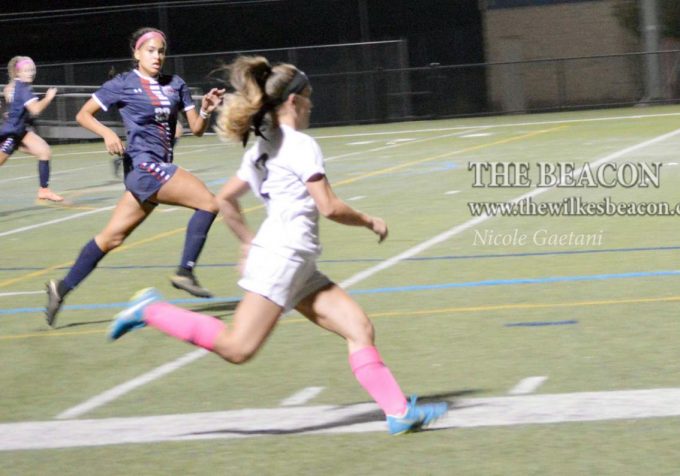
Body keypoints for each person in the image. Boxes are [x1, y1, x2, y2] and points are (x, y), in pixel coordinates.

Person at [108, 55, 448, 435]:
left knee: (359, 328)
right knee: (238, 348)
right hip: (283, 259)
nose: (312, 105)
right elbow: (329, 207)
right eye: (309, 97)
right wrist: (370, 221)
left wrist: (247, 243)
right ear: (293, 102)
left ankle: (398, 412)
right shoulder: (300, 144)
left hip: (296, 263)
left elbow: (225, 199)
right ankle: (152, 310)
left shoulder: (261, 147)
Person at [44, 27, 226, 327]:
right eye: (151, 50)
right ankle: (185, 271)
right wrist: (106, 133)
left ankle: (60, 289)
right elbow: (83, 115)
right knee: (208, 202)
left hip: (152, 171)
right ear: (137, 53)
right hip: (143, 168)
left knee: (111, 238)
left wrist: (206, 109)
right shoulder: (123, 84)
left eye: (162, 50)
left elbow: (197, 129)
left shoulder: (175, 84)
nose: (157, 56)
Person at [0, 56, 65, 201]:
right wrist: (48, 97)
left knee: (44, 151)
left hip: (19, 131)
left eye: (31, 70)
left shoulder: (17, 85)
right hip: (9, 134)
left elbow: (10, 94)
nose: (30, 73)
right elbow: (35, 109)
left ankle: (44, 190)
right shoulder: (23, 89)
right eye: (26, 70)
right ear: (18, 73)